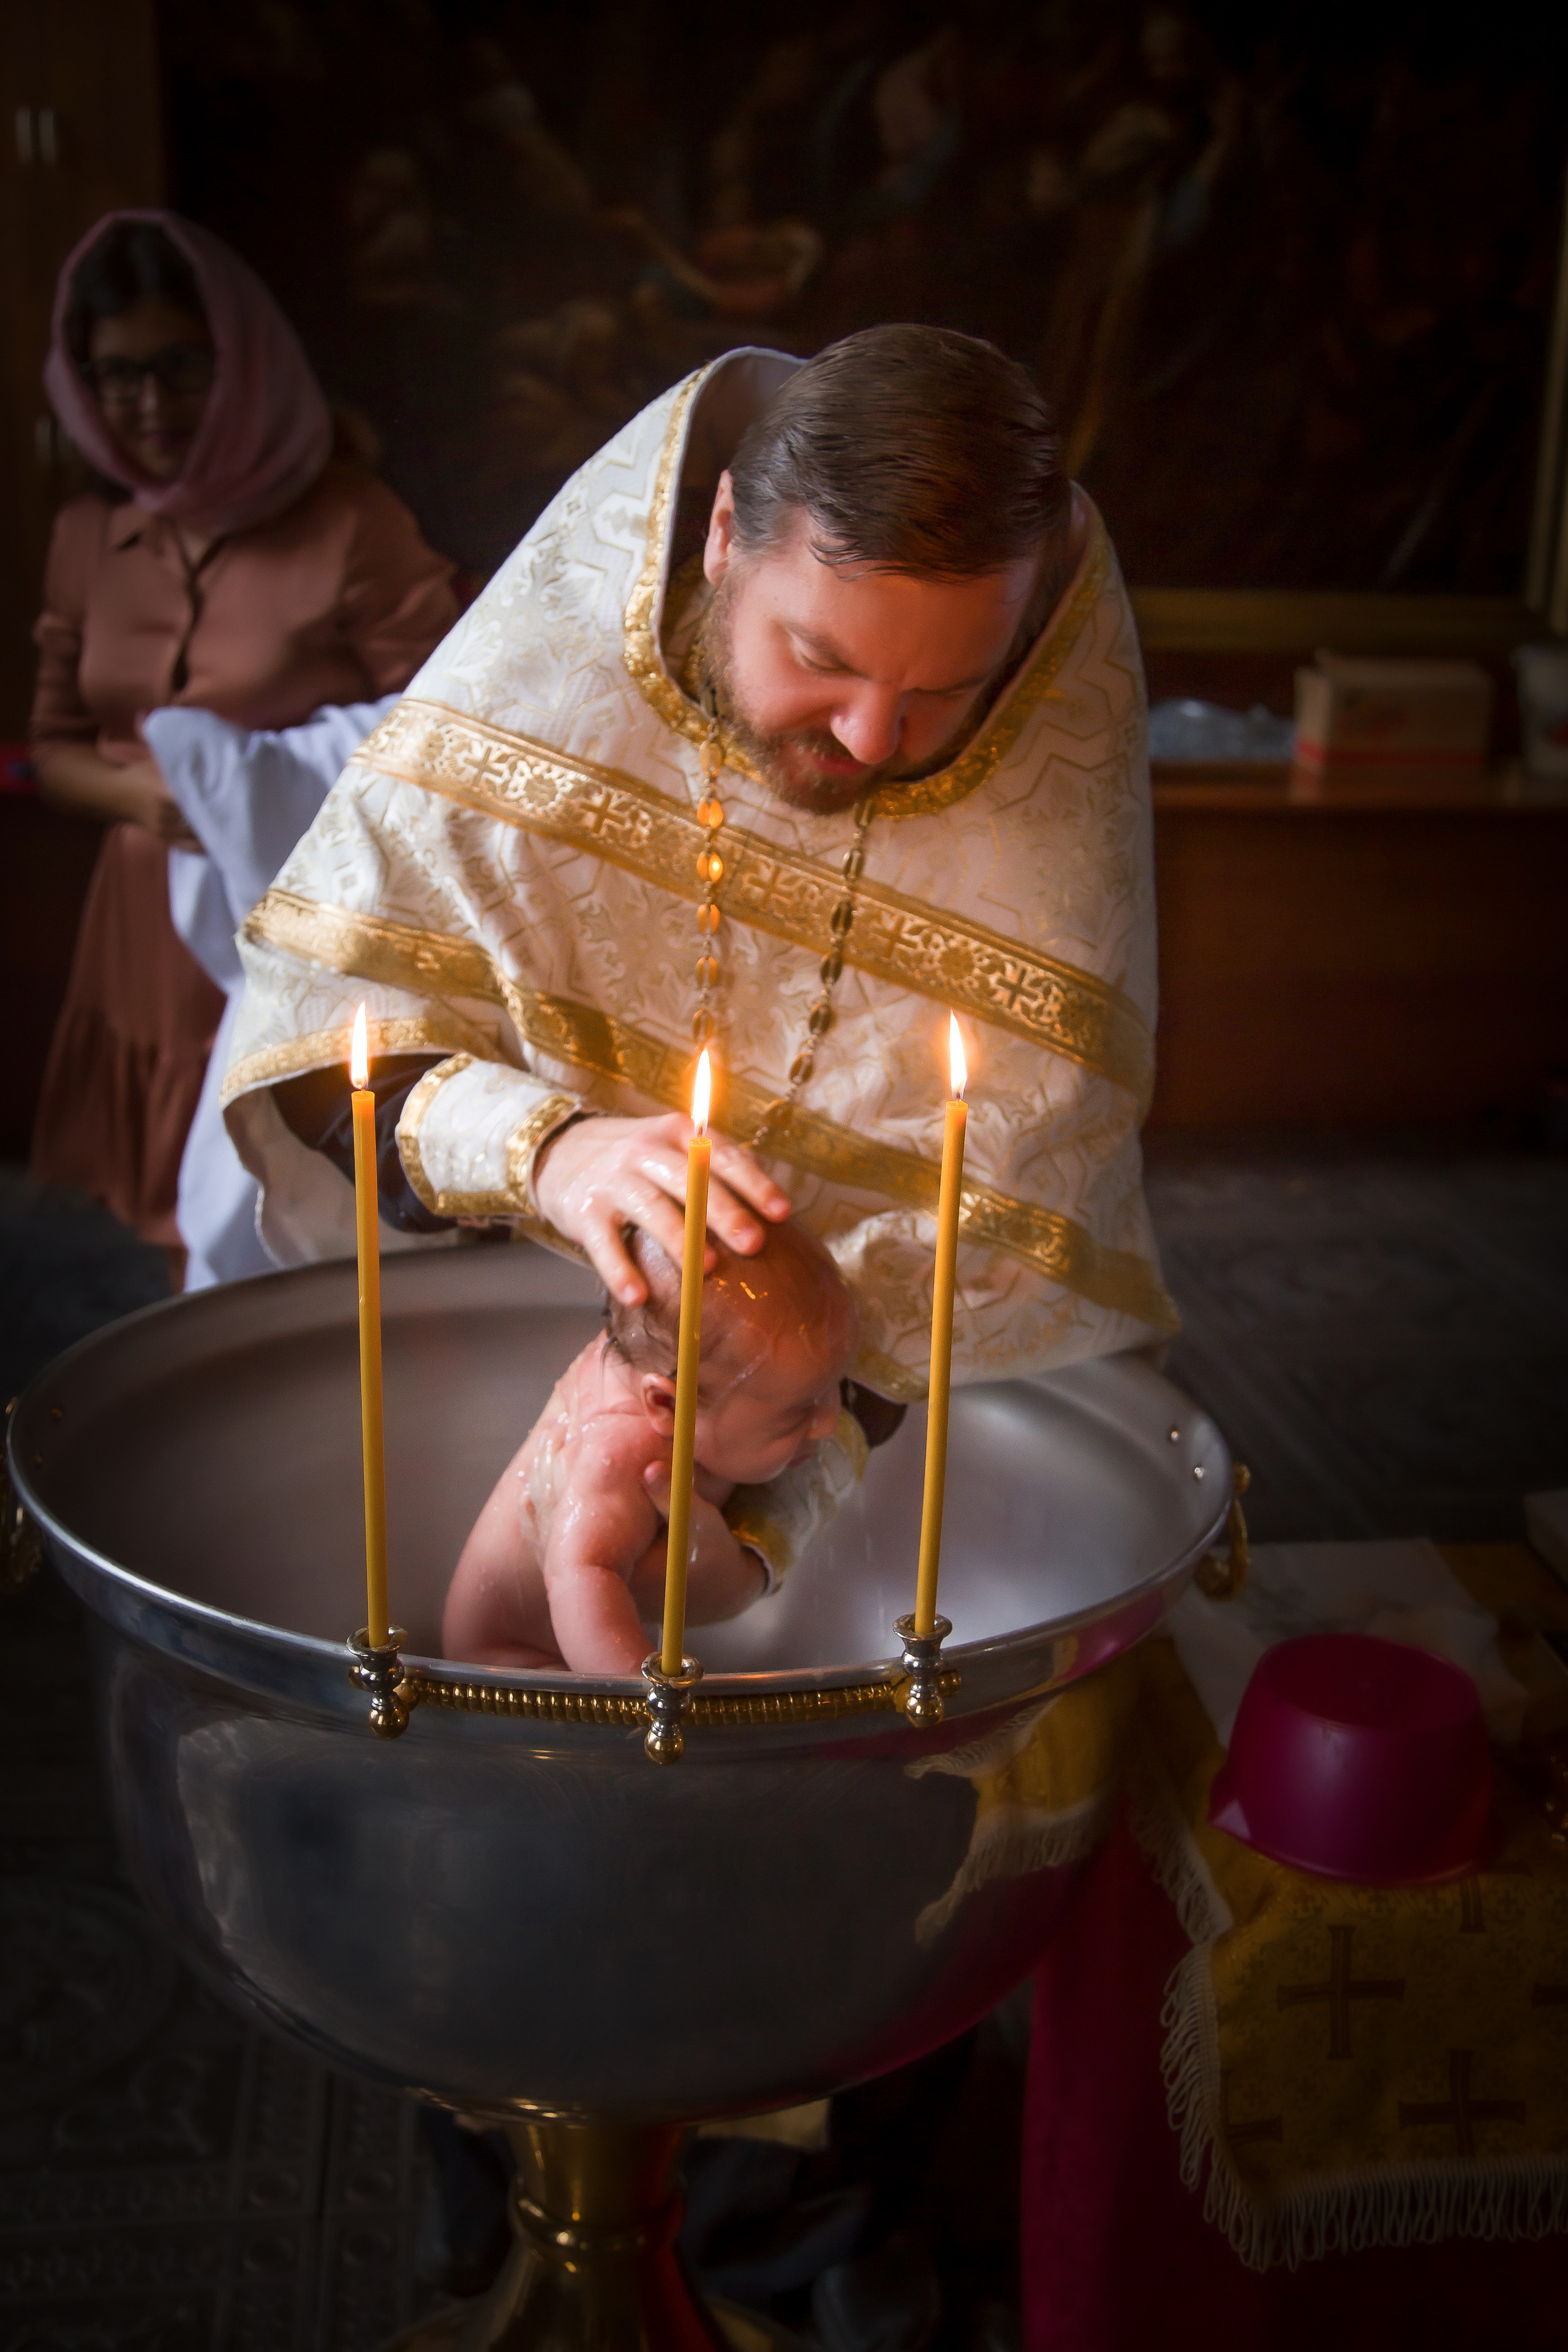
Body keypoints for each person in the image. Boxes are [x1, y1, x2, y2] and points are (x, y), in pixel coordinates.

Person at [226, 324, 1176, 1581]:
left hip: (865, 1471)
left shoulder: (1035, 824)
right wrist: (546, 1151)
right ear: (724, 533)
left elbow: (988, 1260)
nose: (871, 738)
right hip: (480, 1370)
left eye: (943, 692)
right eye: (820, 659)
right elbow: (316, 1041)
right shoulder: (547, 697)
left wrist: (760, 1531)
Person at [28, 210, 456, 1276]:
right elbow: (54, 746)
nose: (150, 404)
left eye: (180, 367)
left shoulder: (349, 521)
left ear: (241, 362)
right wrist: (148, 802)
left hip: (293, 910)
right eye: (118, 375)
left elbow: (445, 716)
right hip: (140, 923)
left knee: (270, 1207)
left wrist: (262, 784)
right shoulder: (90, 537)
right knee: (157, 1224)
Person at [444, 1221, 858, 1672]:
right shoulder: (623, 1450)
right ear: (667, 1405)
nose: (829, 1423)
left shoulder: (668, 1355)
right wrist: (643, 1692)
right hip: (511, 1659)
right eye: (799, 1412)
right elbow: (579, 1575)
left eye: (834, 1385)